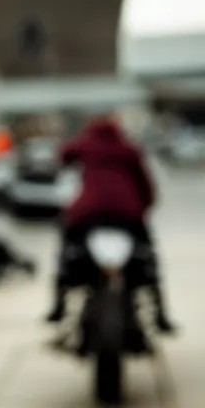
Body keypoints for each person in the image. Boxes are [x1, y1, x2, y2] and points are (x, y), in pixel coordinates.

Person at [45, 114, 175, 332]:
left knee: (68, 253)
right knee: (147, 256)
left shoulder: (86, 145)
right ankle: (160, 315)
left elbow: (63, 156)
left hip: (87, 212)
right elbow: (146, 186)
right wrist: (143, 206)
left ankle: (58, 306)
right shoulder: (128, 149)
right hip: (127, 213)